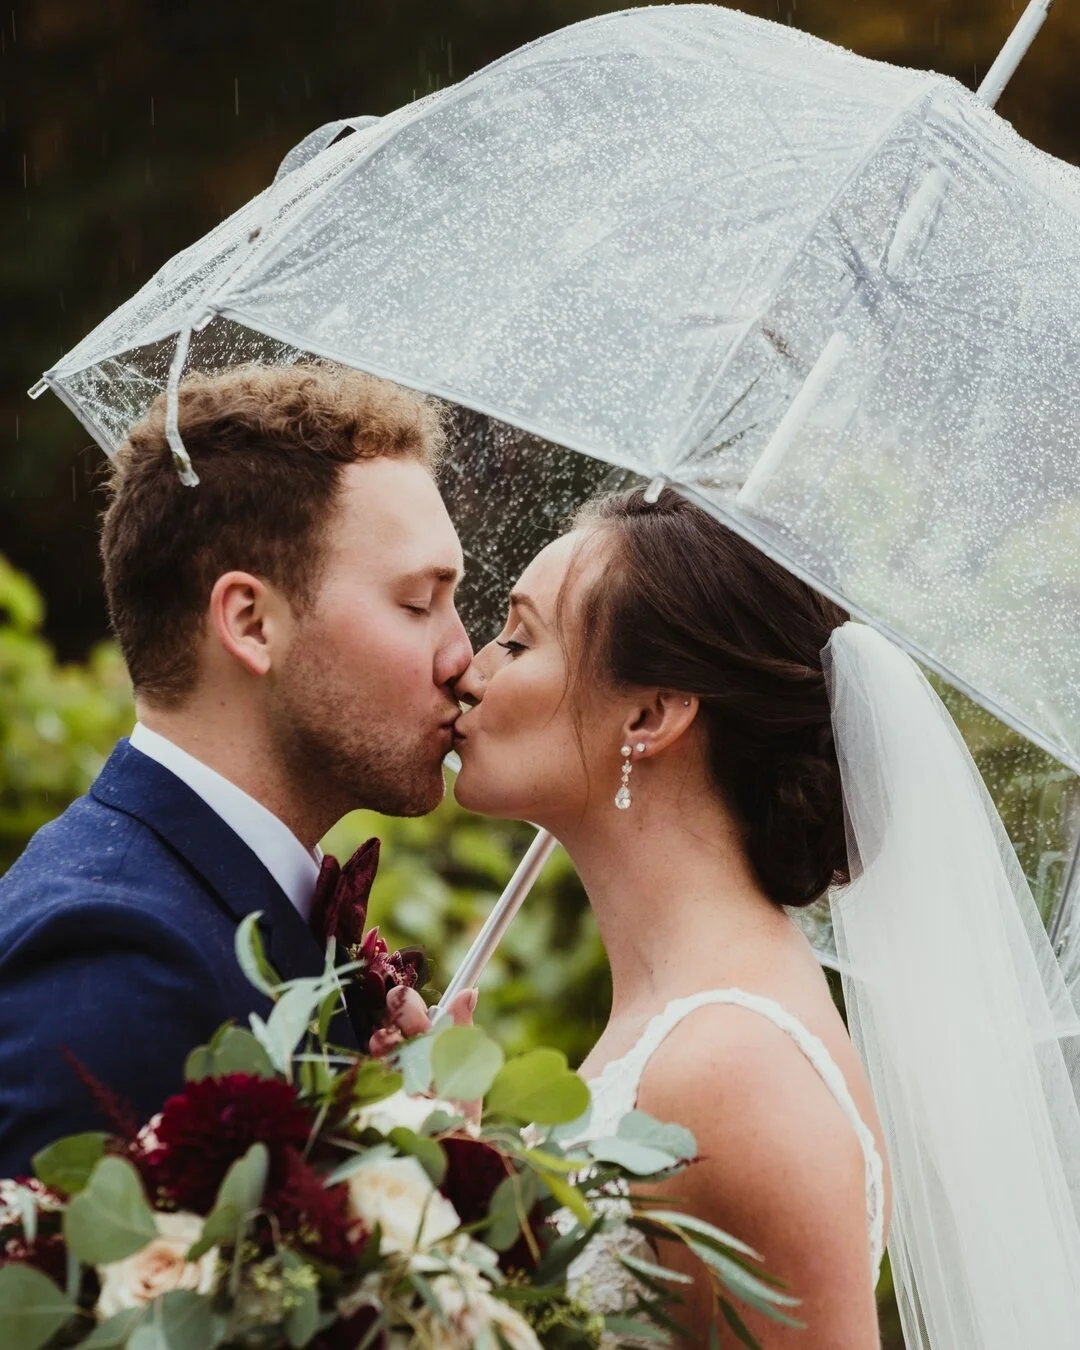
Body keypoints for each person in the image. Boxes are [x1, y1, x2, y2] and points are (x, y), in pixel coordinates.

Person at [440, 484, 1080, 1348]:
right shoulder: (671, 1026)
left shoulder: (737, 1070)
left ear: (650, 714)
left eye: (518, 638)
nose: (471, 668)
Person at [0, 362, 475, 1176]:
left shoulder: (227, 911)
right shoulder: (118, 962)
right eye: (417, 603)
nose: (463, 657)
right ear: (251, 623)